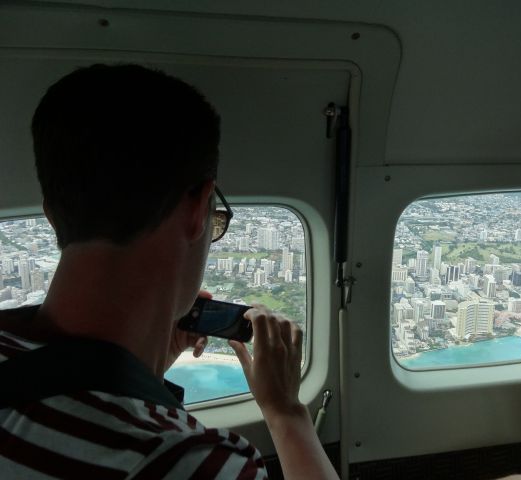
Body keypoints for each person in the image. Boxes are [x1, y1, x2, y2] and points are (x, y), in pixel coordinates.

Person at [0, 64, 338, 479]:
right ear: (198, 208)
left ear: (51, 214)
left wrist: (147, 370)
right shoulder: (189, 461)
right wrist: (287, 412)